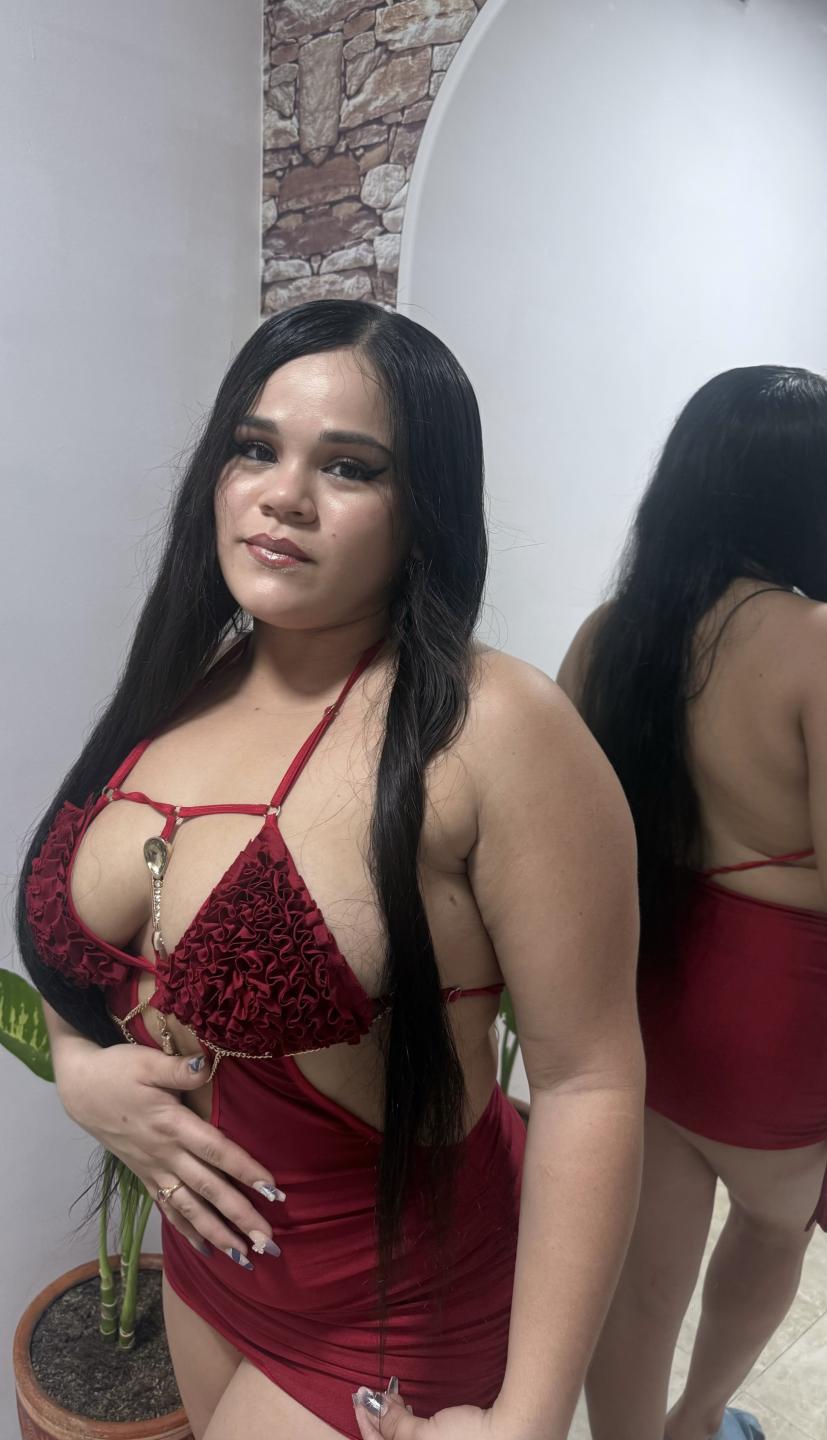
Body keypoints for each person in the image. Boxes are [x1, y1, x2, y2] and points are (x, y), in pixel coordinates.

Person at [18, 300, 642, 1440]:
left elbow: (588, 1079)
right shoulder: (182, 685)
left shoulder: (495, 729)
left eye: (348, 467)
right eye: (254, 448)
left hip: (395, 1318)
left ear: (424, 507)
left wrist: (531, 1416)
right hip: (210, 1270)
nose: (284, 496)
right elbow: (69, 945)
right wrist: (79, 1069)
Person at [557, 365, 827, 1440]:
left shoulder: (606, 634)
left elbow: (563, 842)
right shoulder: (813, 641)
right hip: (774, 1010)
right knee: (769, 1228)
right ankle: (700, 1422)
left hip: (638, 980)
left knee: (639, 1276)